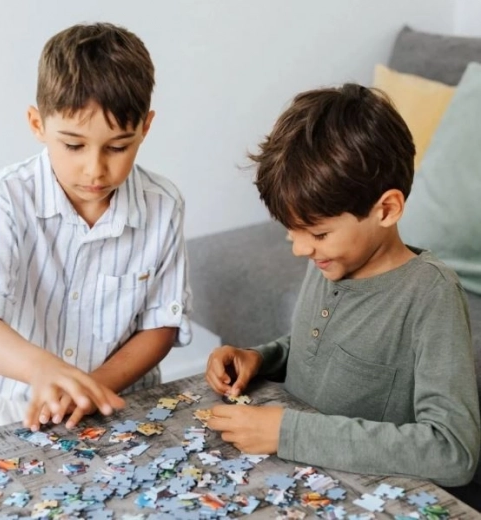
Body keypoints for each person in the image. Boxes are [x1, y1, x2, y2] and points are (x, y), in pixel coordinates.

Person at [205, 84, 480, 487]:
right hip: (291, 484)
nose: (300, 249)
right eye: (291, 231)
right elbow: (324, 350)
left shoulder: (430, 295)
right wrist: (259, 358)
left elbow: (453, 451)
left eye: (317, 233)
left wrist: (287, 432)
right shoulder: (330, 262)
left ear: (386, 209)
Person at [0, 22, 191, 432]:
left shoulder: (163, 204)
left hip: (124, 405)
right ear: (37, 125)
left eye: (118, 147)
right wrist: (43, 370)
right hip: (25, 411)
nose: (95, 169)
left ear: (145, 127)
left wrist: (90, 389)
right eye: (73, 145)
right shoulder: (8, 196)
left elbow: (161, 325)